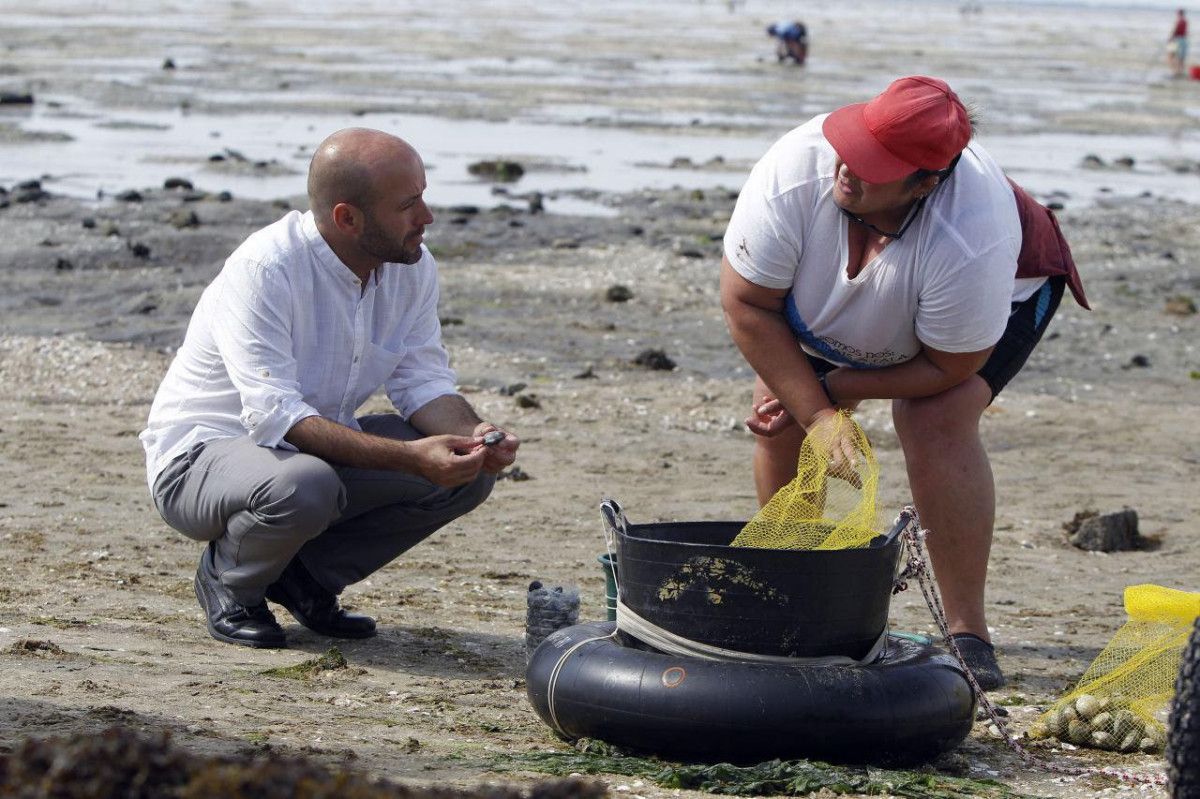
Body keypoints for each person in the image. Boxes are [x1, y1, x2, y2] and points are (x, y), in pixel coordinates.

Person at [719, 76, 1089, 690]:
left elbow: (949, 367)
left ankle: (968, 630)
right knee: (783, 406)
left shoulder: (972, 234)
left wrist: (837, 390)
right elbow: (746, 302)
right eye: (851, 147)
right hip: (832, 297)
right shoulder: (795, 170)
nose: (846, 168)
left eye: (872, 166)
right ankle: (797, 593)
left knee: (934, 417)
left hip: (983, 312)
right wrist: (815, 411)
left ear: (924, 181)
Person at [140, 128, 519, 649]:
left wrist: (479, 435)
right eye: (409, 204)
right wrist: (410, 457)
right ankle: (230, 582)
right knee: (307, 485)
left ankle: (304, 579)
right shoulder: (266, 268)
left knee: (466, 474)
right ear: (347, 218)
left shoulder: (412, 268)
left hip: (302, 455)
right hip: (197, 464)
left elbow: (424, 382)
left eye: (424, 196)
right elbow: (276, 418)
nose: (427, 216)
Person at [1169, 9, 1189, 78]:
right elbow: (1185, 32)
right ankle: (1180, 71)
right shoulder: (1185, 21)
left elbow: (1175, 31)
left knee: (1172, 56)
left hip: (1178, 40)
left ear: (1178, 14)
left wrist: (1170, 38)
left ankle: (1176, 71)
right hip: (1184, 40)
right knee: (1181, 57)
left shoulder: (1179, 21)